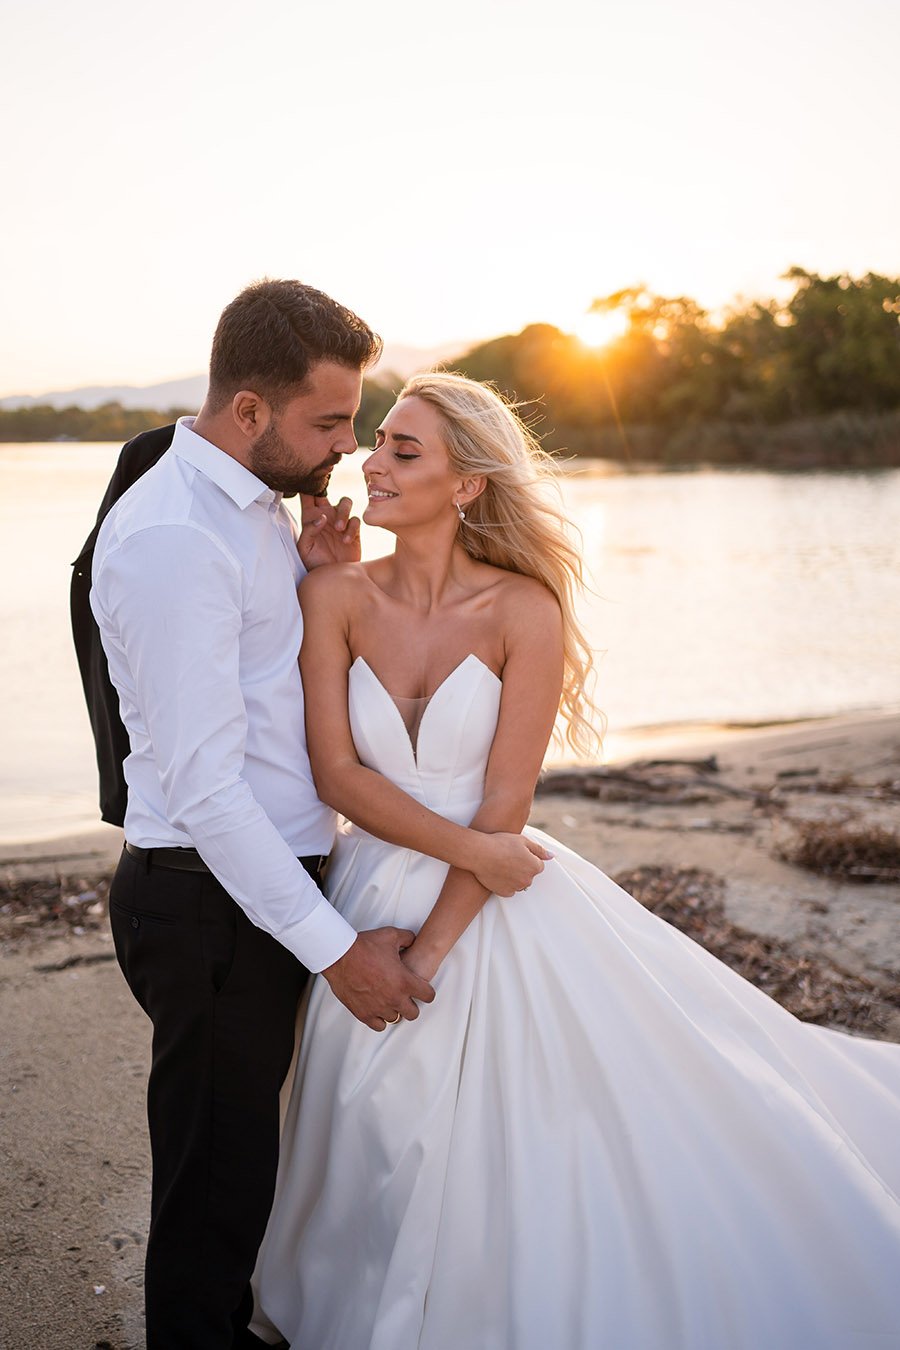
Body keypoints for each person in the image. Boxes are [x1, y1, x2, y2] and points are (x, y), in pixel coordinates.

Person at [253, 372, 900, 1350]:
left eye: (403, 450)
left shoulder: (525, 611)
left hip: (493, 903)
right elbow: (336, 772)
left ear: (469, 484)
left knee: (550, 1136)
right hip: (374, 892)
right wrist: (451, 871)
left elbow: (509, 800)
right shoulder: (332, 591)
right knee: (369, 1120)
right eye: (377, 443)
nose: (371, 464)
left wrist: (427, 959)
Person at [89, 285, 548, 1350]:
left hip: (276, 891)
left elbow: (266, 695)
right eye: (332, 425)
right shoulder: (172, 537)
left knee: (255, 1163)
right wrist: (337, 947)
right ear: (250, 412)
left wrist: (317, 574)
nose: (350, 449)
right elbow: (206, 790)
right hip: (206, 904)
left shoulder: (255, 513)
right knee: (211, 1184)